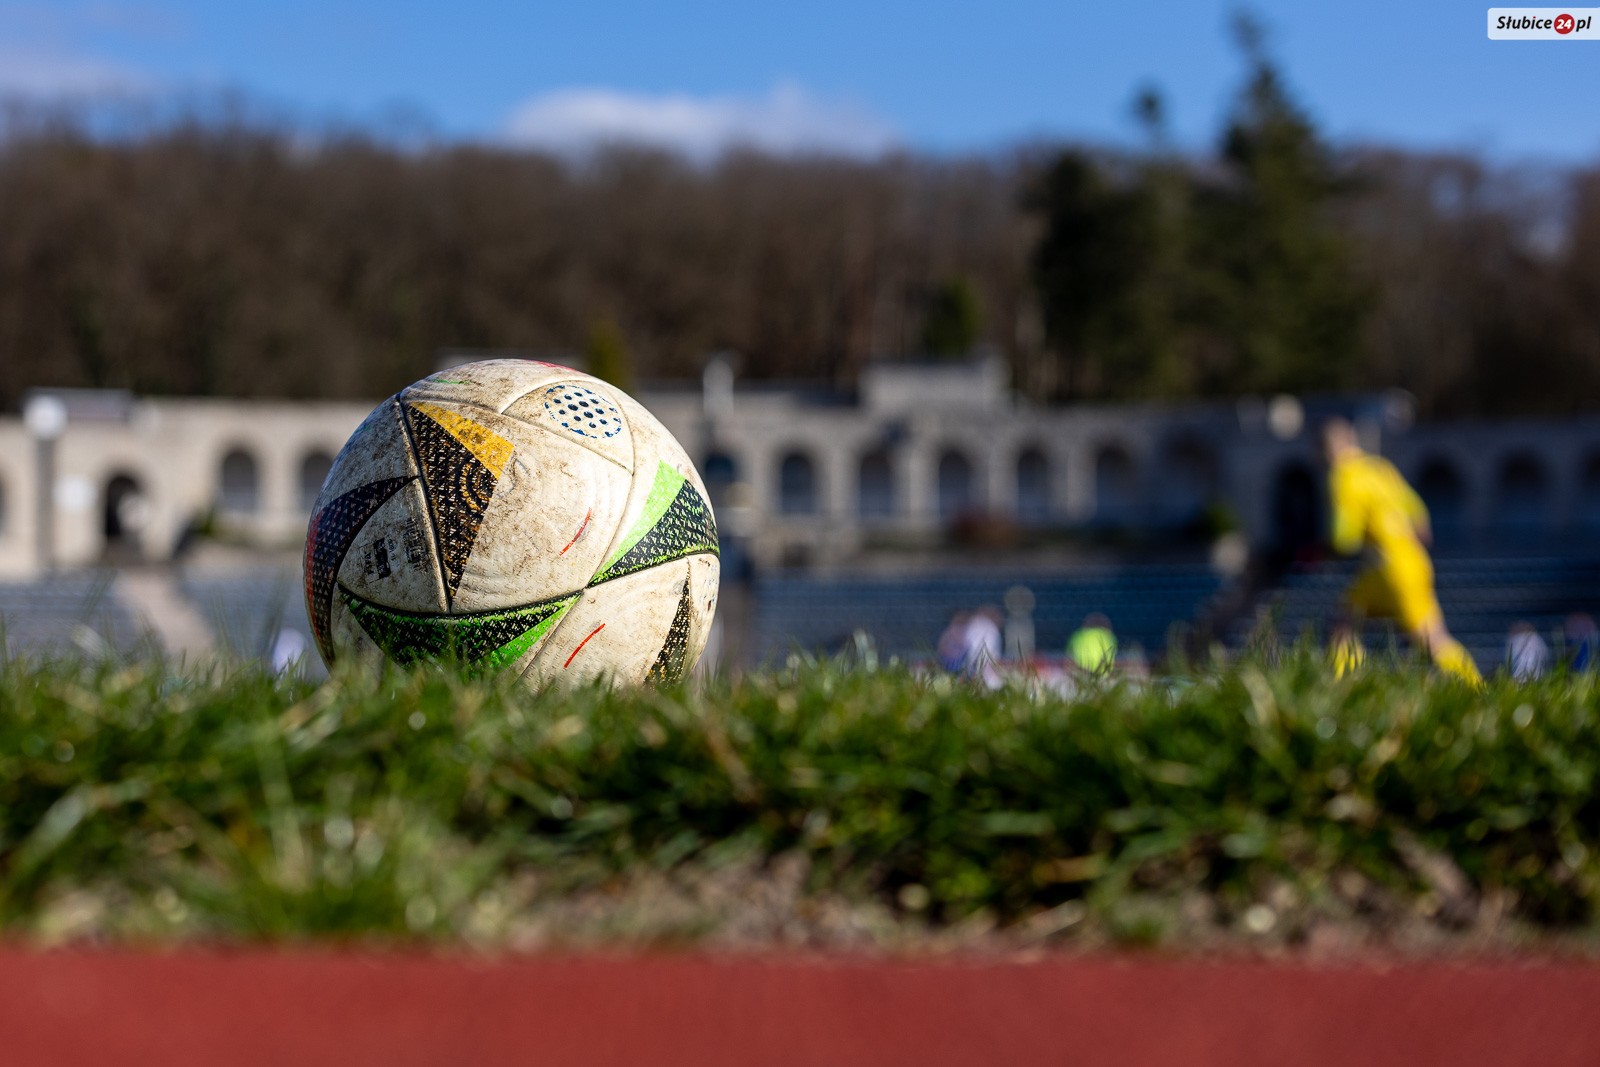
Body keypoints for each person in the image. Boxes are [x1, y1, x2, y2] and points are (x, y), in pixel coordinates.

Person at [1320, 417, 1482, 685]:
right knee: (1344, 623)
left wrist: (1326, 550)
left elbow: (1344, 537)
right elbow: (1418, 512)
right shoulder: (1380, 468)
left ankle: (1474, 687)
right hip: (1410, 561)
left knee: (1431, 640)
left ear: (1326, 450)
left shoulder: (1343, 476)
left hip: (1388, 569)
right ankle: (1350, 685)